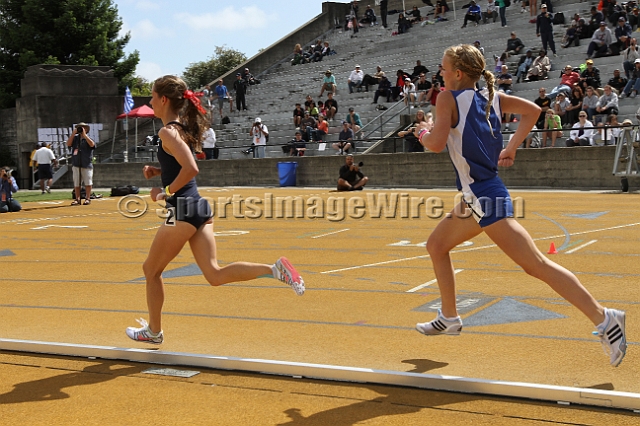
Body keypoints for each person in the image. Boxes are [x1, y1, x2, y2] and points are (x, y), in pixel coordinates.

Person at [411, 44, 627, 368]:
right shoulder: (493, 97)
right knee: (437, 245)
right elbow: (534, 112)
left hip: (483, 196)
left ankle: (605, 318)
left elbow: (436, 143)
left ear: (457, 73)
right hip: (479, 195)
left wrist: (423, 131)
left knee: (536, 264)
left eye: (443, 69)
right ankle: (450, 315)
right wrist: (510, 147)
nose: (439, 73)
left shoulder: (447, 98)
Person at [125, 75, 304, 345]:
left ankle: (153, 331)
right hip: (198, 207)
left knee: (151, 269)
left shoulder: (166, 132)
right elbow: (181, 165)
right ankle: (275, 269)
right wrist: (159, 171)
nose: (149, 101)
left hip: (183, 209)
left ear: (163, 100)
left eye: (151, 96)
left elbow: (191, 169)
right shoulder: (178, 128)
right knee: (214, 274)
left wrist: (165, 192)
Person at [66, 122, 95, 206]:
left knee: (88, 182)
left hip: (86, 164)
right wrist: (73, 133)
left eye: (82, 128)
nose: (81, 129)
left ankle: (87, 198)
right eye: (80, 127)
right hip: (76, 163)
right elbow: (68, 144)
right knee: (77, 183)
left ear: (86, 129)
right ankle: (77, 198)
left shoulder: (89, 138)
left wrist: (85, 135)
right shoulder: (75, 139)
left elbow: (92, 144)